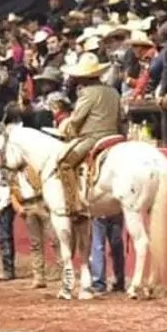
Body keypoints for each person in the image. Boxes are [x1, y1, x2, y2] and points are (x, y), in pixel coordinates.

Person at [56, 52, 123, 216]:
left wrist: (67, 129)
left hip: (93, 138)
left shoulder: (87, 93)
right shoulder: (113, 91)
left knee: (64, 163)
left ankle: (73, 205)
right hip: (114, 135)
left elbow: (77, 119)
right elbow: (120, 117)